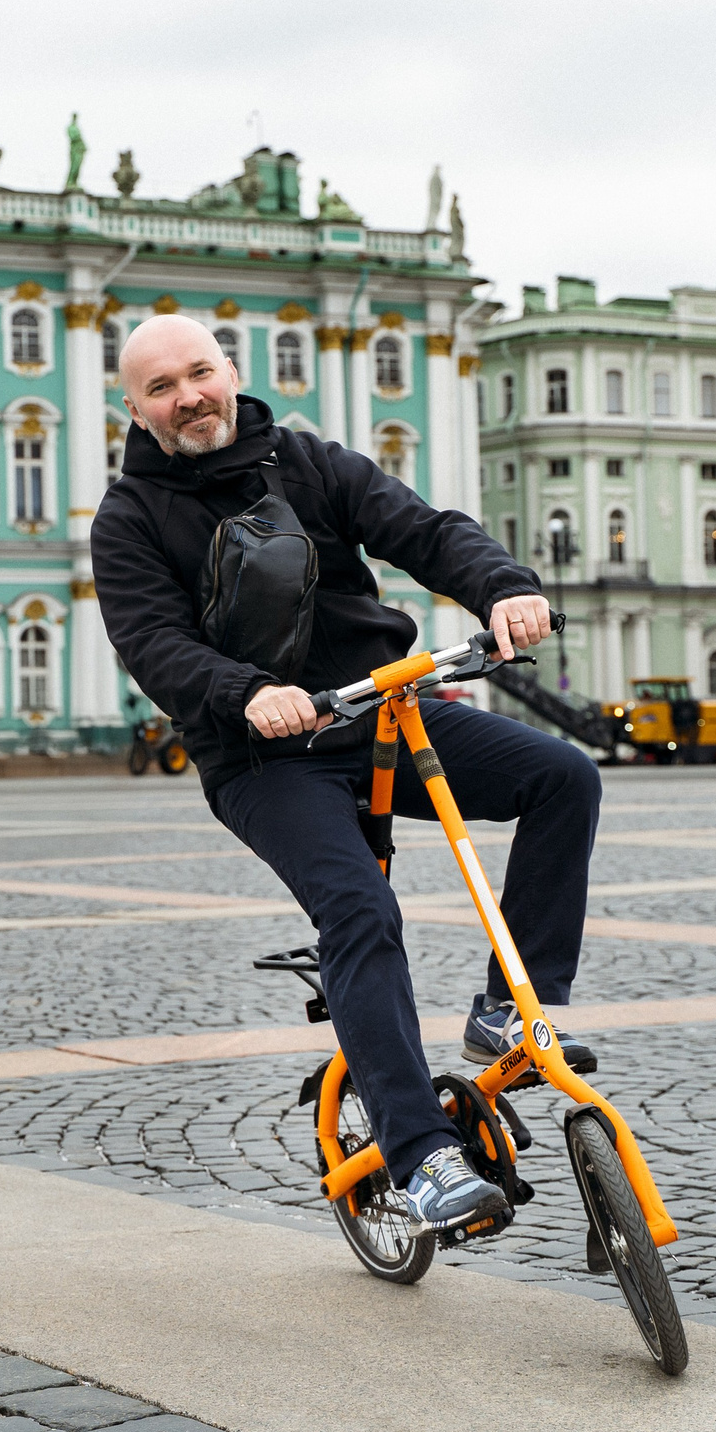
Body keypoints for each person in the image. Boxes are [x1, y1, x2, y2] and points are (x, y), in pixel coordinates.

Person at [92, 315, 593, 1235]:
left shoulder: (309, 462)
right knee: (359, 909)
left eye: (200, 372)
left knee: (562, 777)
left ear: (231, 372)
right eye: (162, 388)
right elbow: (154, 644)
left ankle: (509, 1009)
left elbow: (424, 529)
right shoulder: (128, 520)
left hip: (384, 715)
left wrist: (503, 585)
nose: (189, 396)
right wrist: (249, 691)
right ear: (135, 408)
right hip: (262, 755)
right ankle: (422, 1158)